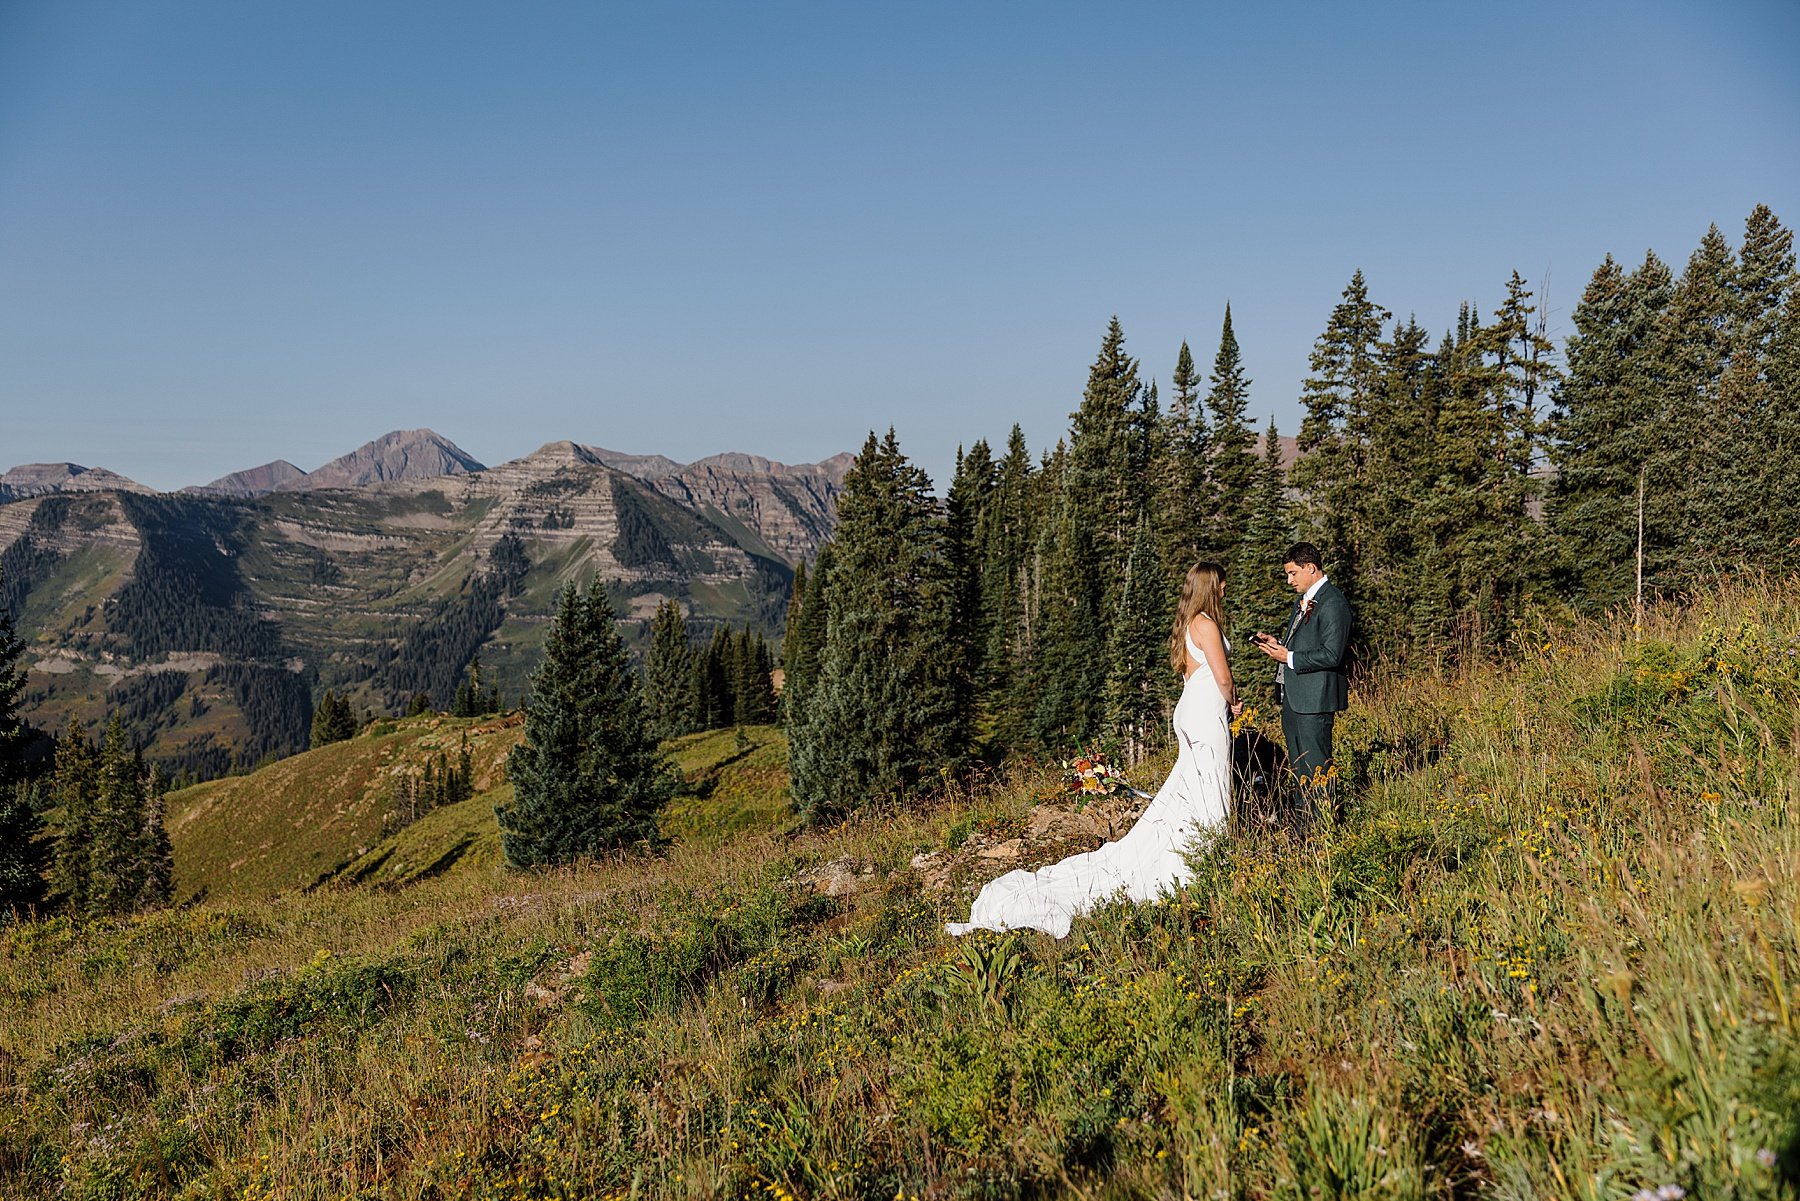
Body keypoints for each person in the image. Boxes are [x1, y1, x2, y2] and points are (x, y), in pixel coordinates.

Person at [946, 562, 1236, 939]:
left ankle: (1192, 849)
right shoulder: (1207, 624)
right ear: (1212, 586)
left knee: (1189, 789)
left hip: (1191, 710)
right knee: (1209, 786)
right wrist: (1236, 701)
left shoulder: (1187, 625)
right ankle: (1202, 857)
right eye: (1223, 585)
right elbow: (1223, 675)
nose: (1226, 591)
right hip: (1206, 713)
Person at [1250, 541, 1351, 829]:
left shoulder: (1334, 603)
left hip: (1315, 700)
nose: (1289, 580)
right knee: (1299, 768)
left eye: (1293, 573)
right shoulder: (1303, 601)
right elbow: (1303, 644)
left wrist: (1289, 656)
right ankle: (1303, 829)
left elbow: (1333, 653)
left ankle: (1322, 832)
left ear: (1311, 568)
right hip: (1294, 699)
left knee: (1317, 768)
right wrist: (1278, 646)